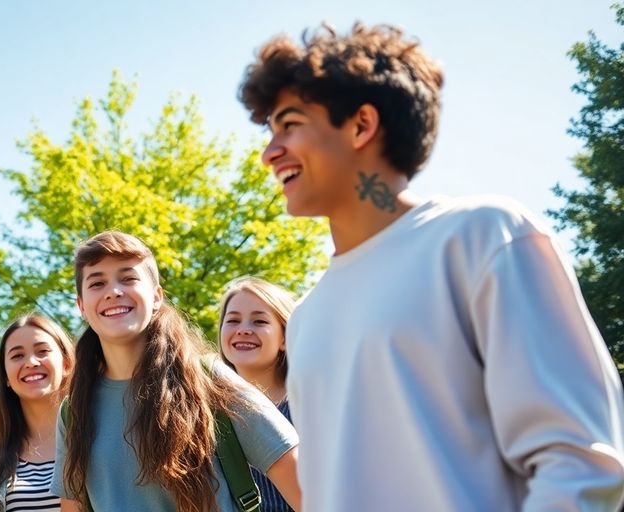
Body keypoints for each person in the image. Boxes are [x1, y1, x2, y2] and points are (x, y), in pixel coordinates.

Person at [238, 22, 624, 510]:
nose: (270, 152)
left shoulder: (483, 236)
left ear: (361, 124)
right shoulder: (309, 318)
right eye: (270, 130)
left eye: (289, 124)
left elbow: (578, 461)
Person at [51, 230, 301, 512]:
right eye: (97, 283)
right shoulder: (73, 412)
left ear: (157, 296)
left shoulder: (209, 379)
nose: (114, 291)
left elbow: (311, 493)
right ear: (81, 306)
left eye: (128, 278)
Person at [0, 314, 76, 512]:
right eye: (17, 356)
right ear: (5, 376)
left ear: (66, 364)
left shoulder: (96, 441)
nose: (31, 362)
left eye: (42, 351)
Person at [217, 276, 297, 512]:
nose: (243, 330)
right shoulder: (205, 409)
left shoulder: (311, 404)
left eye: (259, 321)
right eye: (232, 320)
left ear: (284, 338)